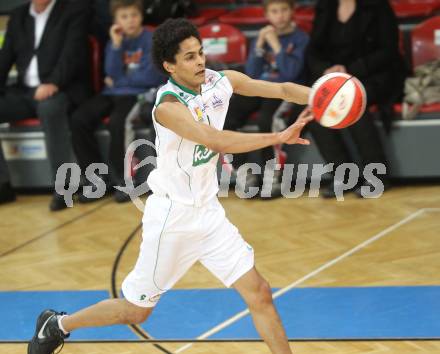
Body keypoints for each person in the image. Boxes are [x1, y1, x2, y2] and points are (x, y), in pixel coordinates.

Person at [27, 18, 312, 354]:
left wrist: (325, 96)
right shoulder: (168, 106)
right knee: (136, 311)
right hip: (172, 220)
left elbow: (280, 89)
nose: (201, 61)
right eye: (190, 57)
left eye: (201, 52)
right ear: (170, 65)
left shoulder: (221, 82)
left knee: (260, 293)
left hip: (209, 215)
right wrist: (278, 137)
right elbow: (213, 138)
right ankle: (58, 324)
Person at [306, 0, 406, 198]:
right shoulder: (325, 7)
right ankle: (344, 176)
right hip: (335, 77)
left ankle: (377, 176)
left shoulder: (379, 6)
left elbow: (388, 51)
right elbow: (313, 51)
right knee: (316, 108)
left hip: (375, 74)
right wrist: (326, 70)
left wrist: (350, 70)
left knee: (353, 101)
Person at [0, 0, 91, 211]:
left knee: (50, 109)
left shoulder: (74, 11)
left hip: (62, 88)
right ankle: (3, 185)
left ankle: (63, 187)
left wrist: (53, 83)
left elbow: (72, 54)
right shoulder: (18, 15)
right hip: (25, 91)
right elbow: (5, 57)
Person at [70, 0, 164, 203]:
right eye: (124, 17)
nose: (130, 21)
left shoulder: (152, 39)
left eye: (134, 15)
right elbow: (110, 72)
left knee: (118, 122)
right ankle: (96, 180)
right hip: (111, 92)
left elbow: (151, 77)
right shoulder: (115, 40)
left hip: (136, 94)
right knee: (79, 119)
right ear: (116, 20)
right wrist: (115, 46)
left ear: (141, 16)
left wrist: (120, 78)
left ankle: (125, 181)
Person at [225, 0, 309, 199]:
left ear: (292, 11)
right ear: (267, 14)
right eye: (274, 11)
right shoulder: (262, 37)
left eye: (283, 10)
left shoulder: (301, 38)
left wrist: (275, 45)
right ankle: (244, 172)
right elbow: (251, 73)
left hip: (285, 90)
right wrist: (260, 44)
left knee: (267, 121)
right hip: (260, 87)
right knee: (226, 116)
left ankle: (273, 175)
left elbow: (290, 71)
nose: (279, 15)